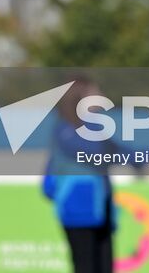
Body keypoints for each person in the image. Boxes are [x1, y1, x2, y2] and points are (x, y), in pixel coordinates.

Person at [42, 79, 120, 273]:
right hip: (77, 207)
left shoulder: (95, 129)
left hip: (101, 206)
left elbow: (122, 152)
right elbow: (96, 151)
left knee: (104, 265)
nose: (102, 97)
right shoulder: (66, 129)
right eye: (96, 93)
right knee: (85, 264)